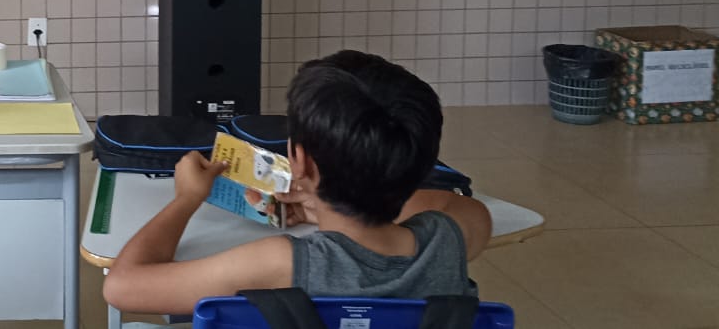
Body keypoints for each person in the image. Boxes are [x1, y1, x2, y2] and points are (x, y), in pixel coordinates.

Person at [103, 51, 490, 316]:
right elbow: (448, 205)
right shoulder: (448, 239)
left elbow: (121, 287)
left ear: (299, 160)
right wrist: (320, 203)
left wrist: (187, 198)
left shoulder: (282, 263)